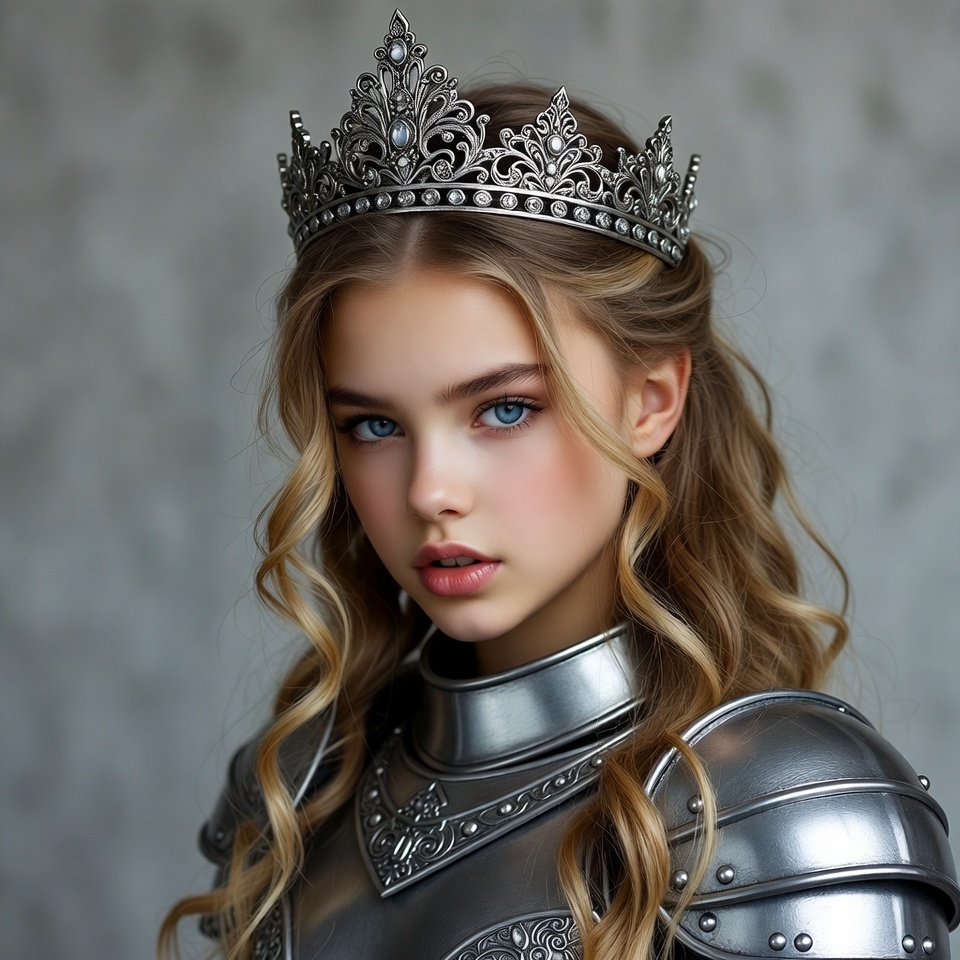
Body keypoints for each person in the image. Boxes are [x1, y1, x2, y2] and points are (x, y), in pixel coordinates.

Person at [159, 11, 959, 960]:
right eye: (373, 425)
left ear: (650, 401)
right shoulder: (296, 792)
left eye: (503, 410)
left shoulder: (788, 817)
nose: (429, 491)